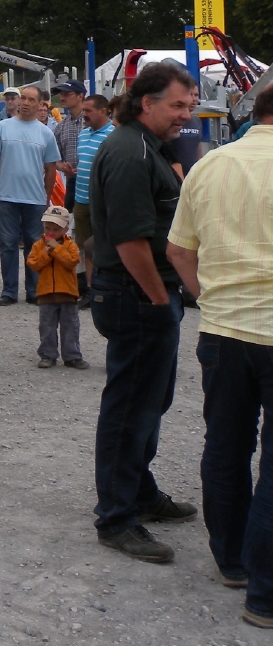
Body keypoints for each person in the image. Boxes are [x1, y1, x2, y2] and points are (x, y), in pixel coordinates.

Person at [166, 85, 273, 613]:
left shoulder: (209, 165)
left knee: (226, 445)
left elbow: (178, 250)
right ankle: (265, 593)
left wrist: (210, 298)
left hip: (223, 329)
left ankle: (232, 560)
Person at [88, 61, 199, 563]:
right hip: (137, 295)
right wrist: (158, 300)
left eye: (189, 106)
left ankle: (138, 490)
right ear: (146, 102)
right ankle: (116, 518)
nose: (186, 115)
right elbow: (130, 241)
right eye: (177, 105)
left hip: (147, 293)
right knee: (131, 406)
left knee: (151, 401)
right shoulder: (130, 151)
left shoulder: (147, 145)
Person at [0, 85, 61, 306]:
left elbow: (51, 168)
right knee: (8, 244)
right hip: (7, 196)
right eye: (23, 98)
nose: (25, 102)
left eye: (31, 100)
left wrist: (47, 196)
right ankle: (9, 290)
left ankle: (33, 290)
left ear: (41, 104)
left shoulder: (45, 133)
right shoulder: (3, 127)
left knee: (35, 244)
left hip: (35, 198)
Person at [28, 204, 86, 369]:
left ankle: (72, 356)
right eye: (48, 228)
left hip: (67, 293)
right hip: (46, 293)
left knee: (70, 326)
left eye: (56, 229)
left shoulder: (70, 245)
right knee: (47, 326)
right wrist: (46, 253)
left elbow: (72, 261)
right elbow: (33, 264)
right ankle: (47, 354)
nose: (51, 233)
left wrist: (57, 249)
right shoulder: (39, 245)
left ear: (65, 229)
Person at [74, 94, 115, 308]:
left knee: (100, 246)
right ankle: (89, 289)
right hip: (81, 199)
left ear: (103, 111)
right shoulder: (83, 135)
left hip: (101, 202)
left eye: (88, 110)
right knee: (83, 247)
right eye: (83, 110)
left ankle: (105, 287)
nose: (84, 114)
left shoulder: (113, 135)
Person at [52, 81, 86, 208]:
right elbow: (55, 158)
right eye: (61, 94)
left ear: (80, 96)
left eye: (66, 94)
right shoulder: (61, 127)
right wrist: (63, 167)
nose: (62, 98)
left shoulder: (92, 121)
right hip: (72, 182)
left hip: (94, 181)